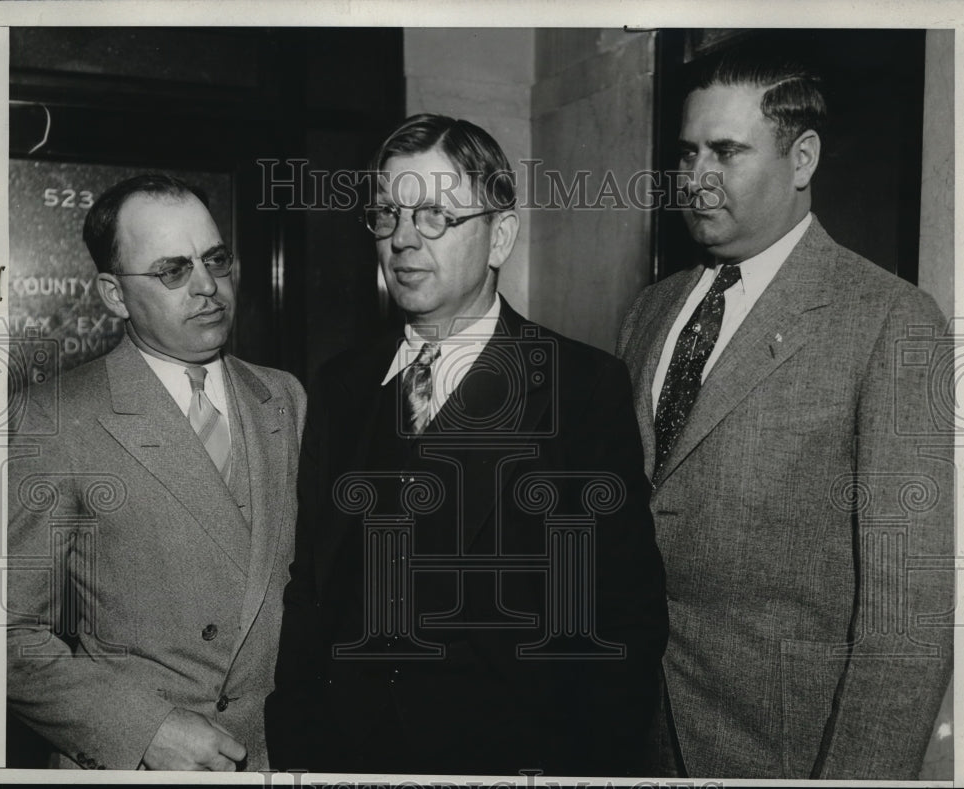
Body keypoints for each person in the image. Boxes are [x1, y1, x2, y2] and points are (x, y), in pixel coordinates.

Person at [266, 114, 668, 776]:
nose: (402, 239)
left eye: (434, 216)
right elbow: (310, 590)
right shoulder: (342, 385)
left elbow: (621, 622)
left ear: (499, 236)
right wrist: (298, 746)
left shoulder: (579, 388)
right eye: (388, 214)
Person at [617, 49, 953, 780]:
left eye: (726, 152)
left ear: (802, 159)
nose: (697, 177)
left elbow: (908, 617)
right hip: (637, 737)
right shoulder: (650, 311)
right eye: (688, 152)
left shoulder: (890, 319)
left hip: (783, 751)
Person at [7, 173, 306, 771]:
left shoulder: (283, 398)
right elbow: (4, 631)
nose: (207, 286)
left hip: (280, 757)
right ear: (115, 295)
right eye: (172, 270)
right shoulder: (56, 419)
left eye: (215, 259)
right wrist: (144, 730)